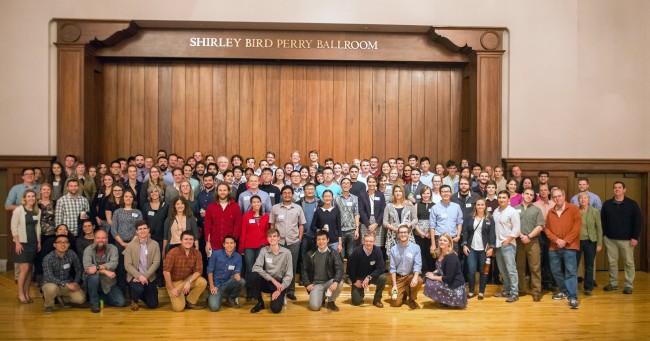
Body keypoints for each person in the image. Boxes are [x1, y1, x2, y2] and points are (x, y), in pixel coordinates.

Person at [601, 181, 643, 295]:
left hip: (627, 240)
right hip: (610, 239)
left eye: (619, 187)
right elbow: (602, 221)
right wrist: (604, 235)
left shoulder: (632, 204)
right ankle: (613, 283)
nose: (617, 189)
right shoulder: (607, 204)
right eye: (615, 187)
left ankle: (628, 285)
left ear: (624, 190)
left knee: (628, 263)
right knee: (612, 262)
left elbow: (638, 222)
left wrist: (635, 237)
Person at [545, 188, 582, 309]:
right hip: (554, 247)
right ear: (552, 198)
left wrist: (565, 241)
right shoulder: (550, 212)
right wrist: (556, 240)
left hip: (570, 246)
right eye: (555, 197)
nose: (557, 199)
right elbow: (547, 229)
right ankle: (564, 291)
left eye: (559, 196)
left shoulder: (573, 208)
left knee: (570, 271)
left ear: (564, 195)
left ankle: (572, 297)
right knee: (555, 270)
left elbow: (577, 227)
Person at [268, 185, 306, 301]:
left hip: (293, 242)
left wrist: (299, 239)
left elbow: (301, 225)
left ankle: (290, 290)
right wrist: (273, 240)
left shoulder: (298, 208)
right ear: (281, 195)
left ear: (292, 194)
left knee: (291, 267)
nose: (287, 195)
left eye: (289, 193)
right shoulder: (275, 208)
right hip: (278, 243)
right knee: (278, 267)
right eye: (285, 193)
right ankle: (278, 289)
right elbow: (272, 225)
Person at [248, 228, 294, 314]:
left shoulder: (287, 253)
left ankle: (280, 296)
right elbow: (256, 267)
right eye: (270, 236)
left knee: (275, 309)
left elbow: (289, 274)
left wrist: (280, 288)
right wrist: (272, 279)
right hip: (267, 281)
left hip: (279, 284)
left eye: (274, 236)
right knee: (253, 275)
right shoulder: (264, 250)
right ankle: (260, 302)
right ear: (267, 239)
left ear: (278, 238)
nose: (272, 238)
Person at [300, 230, 345, 311]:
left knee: (340, 282)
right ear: (316, 241)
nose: (321, 241)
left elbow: (340, 269)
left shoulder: (333, 253)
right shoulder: (310, 254)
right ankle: (322, 297)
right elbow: (304, 270)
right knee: (314, 307)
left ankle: (331, 301)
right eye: (319, 239)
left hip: (329, 283)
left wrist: (335, 282)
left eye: (323, 239)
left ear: (327, 240)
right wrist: (307, 284)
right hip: (316, 285)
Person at [163, 231, 207, 311]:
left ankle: (190, 301)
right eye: (186, 239)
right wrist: (172, 288)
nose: (188, 241)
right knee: (178, 308)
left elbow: (199, 271)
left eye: (191, 239)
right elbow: (166, 272)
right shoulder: (173, 252)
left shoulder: (197, 253)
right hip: (175, 282)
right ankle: (181, 296)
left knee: (202, 282)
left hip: (187, 279)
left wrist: (189, 281)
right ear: (181, 241)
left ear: (193, 241)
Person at [83, 229, 125, 312]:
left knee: (120, 303)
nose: (100, 240)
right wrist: (105, 271)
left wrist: (97, 268)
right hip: (92, 281)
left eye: (103, 238)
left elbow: (113, 264)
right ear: (94, 239)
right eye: (98, 238)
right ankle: (94, 303)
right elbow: (88, 268)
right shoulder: (88, 249)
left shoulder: (113, 248)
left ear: (107, 239)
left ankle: (100, 297)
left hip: (108, 283)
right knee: (94, 277)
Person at [514, 188, 545, 302]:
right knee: (520, 267)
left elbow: (540, 226)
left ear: (533, 197)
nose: (528, 196)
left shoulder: (537, 210)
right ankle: (521, 289)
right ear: (522, 194)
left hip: (533, 242)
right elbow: (513, 225)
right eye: (526, 194)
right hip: (518, 241)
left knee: (535, 267)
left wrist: (529, 236)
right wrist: (522, 236)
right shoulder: (515, 209)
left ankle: (536, 292)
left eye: (531, 195)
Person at [42, 234, 86, 314]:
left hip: (67, 284)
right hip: (52, 284)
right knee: (51, 288)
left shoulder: (71, 254)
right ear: (55, 245)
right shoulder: (48, 258)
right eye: (60, 242)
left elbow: (79, 268)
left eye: (65, 242)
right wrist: (66, 284)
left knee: (81, 299)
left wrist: (75, 282)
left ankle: (63, 299)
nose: (63, 244)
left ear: (68, 245)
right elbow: (49, 277)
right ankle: (49, 306)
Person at [110, 189, 143, 295]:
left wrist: (131, 242)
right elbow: (113, 229)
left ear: (133, 199)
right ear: (123, 198)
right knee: (120, 268)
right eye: (126, 196)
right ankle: (122, 293)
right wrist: (122, 243)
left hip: (134, 244)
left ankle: (133, 293)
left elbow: (140, 228)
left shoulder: (137, 212)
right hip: (120, 244)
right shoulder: (117, 212)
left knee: (133, 267)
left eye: (130, 197)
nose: (128, 199)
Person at [11, 189, 41, 304]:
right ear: (24, 198)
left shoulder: (37, 211)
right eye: (28, 196)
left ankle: (27, 293)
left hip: (33, 243)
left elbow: (37, 228)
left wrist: (39, 242)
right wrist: (17, 243)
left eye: (33, 196)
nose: (31, 198)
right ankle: (20, 294)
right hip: (22, 243)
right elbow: (14, 227)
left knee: (30, 270)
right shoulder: (18, 210)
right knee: (24, 269)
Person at [461, 198, 495, 300]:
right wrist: (464, 245)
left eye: (482, 205)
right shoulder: (469, 217)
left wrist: (492, 247)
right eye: (478, 205)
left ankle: (481, 292)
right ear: (475, 205)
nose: (480, 206)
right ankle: (471, 291)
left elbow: (492, 234)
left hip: (484, 249)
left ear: (485, 206)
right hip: (472, 248)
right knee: (471, 270)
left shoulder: (490, 218)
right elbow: (465, 232)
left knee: (484, 271)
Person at [238, 195, 270, 300]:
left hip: (261, 247)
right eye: (254, 202)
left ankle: (258, 291)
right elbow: (243, 233)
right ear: (251, 204)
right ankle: (249, 290)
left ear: (261, 203)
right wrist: (241, 248)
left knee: (259, 269)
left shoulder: (266, 216)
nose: (256, 204)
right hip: (249, 247)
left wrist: (264, 243)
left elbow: (267, 232)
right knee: (249, 269)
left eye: (258, 202)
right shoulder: (246, 216)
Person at [123, 220, 160, 310]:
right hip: (135, 276)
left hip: (149, 276)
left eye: (145, 228)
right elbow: (127, 265)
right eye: (140, 229)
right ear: (136, 231)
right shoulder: (130, 246)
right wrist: (139, 276)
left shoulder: (155, 244)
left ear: (148, 230)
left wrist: (145, 276)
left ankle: (142, 293)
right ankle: (134, 300)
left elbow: (156, 262)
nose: (143, 231)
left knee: (153, 304)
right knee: (138, 289)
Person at [423, 233, 467, 308]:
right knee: (427, 278)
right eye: (440, 240)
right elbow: (441, 268)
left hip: (454, 286)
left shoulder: (451, 257)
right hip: (448, 281)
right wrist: (433, 272)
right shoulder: (440, 253)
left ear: (449, 243)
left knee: (430, 283)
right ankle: (444, 299)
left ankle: (451, 300)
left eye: (445, 240)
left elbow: (449, 278)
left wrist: (433, 277)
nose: (442, 242)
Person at [492, 190, 521, 302]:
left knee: (511, 269)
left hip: (508, 244)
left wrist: (508, 240)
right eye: (500, 197)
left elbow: (516, 229)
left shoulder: (512, 212)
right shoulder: (496, 211)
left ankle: (514, 293)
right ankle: (506, 290)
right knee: (503, 270)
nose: (501, 200)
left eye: (504, 197)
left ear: (509, 199)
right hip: (498, 245)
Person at [207, 234, 246, 312]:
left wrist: (237, 275)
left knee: (241, 281)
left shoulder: (238, 256)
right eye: (227, 243)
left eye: (231, 243)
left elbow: (237, 271)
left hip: (228, 282)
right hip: (216, 285)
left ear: (235, 244)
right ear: (223, 244)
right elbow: (209, 270)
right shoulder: (215, 254)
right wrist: (211, 286)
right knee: (214, 308)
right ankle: (212, 296)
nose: (229, 245)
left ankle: (231, 298)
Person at [347, 233, 386, 308]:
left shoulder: (378, 251)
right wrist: (354, 280)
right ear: (363, 241)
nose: (368, 243)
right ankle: (360, 293)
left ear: (374, 242)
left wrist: (369, 277)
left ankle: (377, 300)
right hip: (359, 278)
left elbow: (381, 268)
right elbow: (350, 268)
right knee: (356, 302)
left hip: (371, 277)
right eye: (366, 241)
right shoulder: (356, 251)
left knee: (383, 278)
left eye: (371, 241)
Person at [389, 225, 423, 309]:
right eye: (401, 232)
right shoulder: (393, 249)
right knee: (395, 303)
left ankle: (411, 299)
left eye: (405, 232)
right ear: (398, 235)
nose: (403, 234)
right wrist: (394, 285)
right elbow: (392, 268)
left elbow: (417, 264)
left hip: (410, 276)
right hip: (399, 278)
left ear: (409, 234)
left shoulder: (416, 248)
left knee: (418, 280)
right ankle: (403, 292)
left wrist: (415, 277)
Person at [141, 185, 168, 285]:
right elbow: (144, 221)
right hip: (149, 237)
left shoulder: (165, 206)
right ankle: (150, 279)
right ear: (149, 194)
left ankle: (160, 280)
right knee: (149, 259)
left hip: (162, 237)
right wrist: (146, 233)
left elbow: (167, 222)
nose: (154, 194)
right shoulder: (146, 206)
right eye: (151, 192)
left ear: (160, 193)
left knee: (160, 260)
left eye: (156, 191)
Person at [205, 182, 242, 254]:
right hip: (214, 244)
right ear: (217, 192)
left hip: (230, 245)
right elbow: (207, 226)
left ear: (228, 191)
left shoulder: (235, 207)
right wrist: (208, 242)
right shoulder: (211, 207)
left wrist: (232, 241)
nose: (222, 192)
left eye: (224, 190)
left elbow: (237, 226)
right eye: (220, 190)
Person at [576, 192, 602, 296]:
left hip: (591, 241)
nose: (583, 200)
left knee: (589, 265)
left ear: (589, 199)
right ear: (578, 200)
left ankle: (588, 287)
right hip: (577, 241)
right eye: (581, 198)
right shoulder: (575, 211)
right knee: (575, 265)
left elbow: (599, 229)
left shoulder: (595, 211)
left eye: (585, 198)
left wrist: (599, 243)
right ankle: (573, 287)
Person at [533, 183, 557, 291]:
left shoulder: (554, 204)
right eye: (541, 190)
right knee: (539, 259)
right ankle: (539, 283)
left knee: (550, 258)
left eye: (545, 190)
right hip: (539, 234)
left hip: (551, 234)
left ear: (549, 192)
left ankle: (549, 282)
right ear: (539, 192)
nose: (543, 192)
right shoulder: (535, 205)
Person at [429, 185, 463, 252]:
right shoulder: (435, 208)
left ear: (451, 193)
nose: (446, 193)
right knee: (440, 261)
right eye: (443, 192)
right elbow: (432, 226)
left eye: (447, 191)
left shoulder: (456, 207)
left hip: (453, 239)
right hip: (439, 239)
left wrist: (458, 235)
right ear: (440, 193)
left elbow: (459, 222)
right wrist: (433, 244)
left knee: (453, 260)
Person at [358, 176, 386, 255]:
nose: (371, 184)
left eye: (373, 182)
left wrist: (376, 223)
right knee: (366, 244)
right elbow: (361, 211)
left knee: (377, 245)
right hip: (365, 222)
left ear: (376, 183)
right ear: (367, 183)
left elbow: (383, 210)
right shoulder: (362, 195)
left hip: (378, 222)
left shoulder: (380, 195)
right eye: (370, 182)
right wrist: (368, 225)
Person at [383, 185, 416, 252]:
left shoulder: (409, 204)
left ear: (403, 193)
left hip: (407, 235)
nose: (398, 193)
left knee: (408, 257)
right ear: (393, 193)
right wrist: (395, 229)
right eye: (396, 191)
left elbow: (415, 219)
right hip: (393, 236)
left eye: (400, 191)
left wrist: (409, 225)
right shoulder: (389, 206)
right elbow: (385, 222)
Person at [335, 178, 360, 261]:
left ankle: (351, 273)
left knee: (351, 254)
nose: (345, 185)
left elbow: (356, 214)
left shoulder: (355, 198)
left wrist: (357, 229)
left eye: (347, 183)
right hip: (340, 230)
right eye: (344, 183)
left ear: (350, 186)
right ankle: (341, 273)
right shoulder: (336, 198)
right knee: (340, 254)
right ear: (341, 185)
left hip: (351, 230)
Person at [414, 186, 435, 274]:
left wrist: (429, 233)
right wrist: (420, 232)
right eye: (424, 193)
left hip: (431, 235)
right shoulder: (416, 205)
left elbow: (435, 221)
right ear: (421, 194)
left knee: (430, 255)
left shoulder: (435, 205)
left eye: (428, 193)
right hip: (418, 234)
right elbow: (414, 220)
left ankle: (431, 273)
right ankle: (421, 274)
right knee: (420, 254)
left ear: (430, 194)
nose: (426, 195)